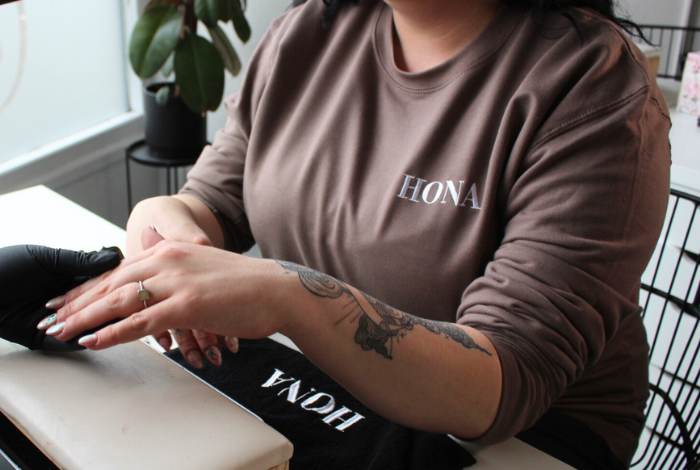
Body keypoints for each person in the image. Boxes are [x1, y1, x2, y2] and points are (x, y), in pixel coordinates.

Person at [35, 0, 671, 467]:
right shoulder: (305, 34)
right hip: (321, 380)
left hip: (521, 440)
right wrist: (167, 225)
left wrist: (288, 295)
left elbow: (505, 383)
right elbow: (206, 201)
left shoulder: (588, 86)